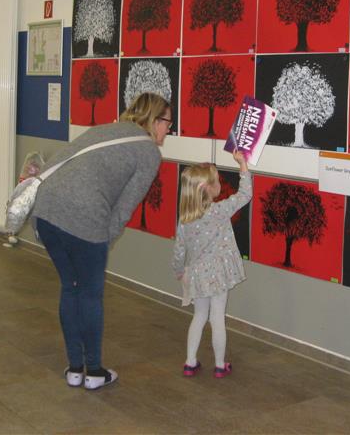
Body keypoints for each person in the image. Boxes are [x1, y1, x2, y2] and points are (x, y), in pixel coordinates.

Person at [33, 92, 172, 390]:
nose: (168, 130)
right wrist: (102, 243)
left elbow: (59, 161)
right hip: (85, 216)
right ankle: (94, 371)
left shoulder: (104, 129)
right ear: (154, 120)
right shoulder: (148, 152)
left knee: (70, 287)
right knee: (90, 295)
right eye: (167, 123)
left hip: (45, 211)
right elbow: (125, 206)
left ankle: (74, 369)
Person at [172, 150, 251, 379]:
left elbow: (179, 250)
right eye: (216, 181)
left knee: (199, 316)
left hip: (197, 274)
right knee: (217, 319)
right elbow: (245, 194)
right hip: (219, 275)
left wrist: (179, 271)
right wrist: (242, 164)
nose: (219, 184)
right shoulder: (219, 211)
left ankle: (190, 362)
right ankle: (219, 365)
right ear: (206, 188)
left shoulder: (185, 219)